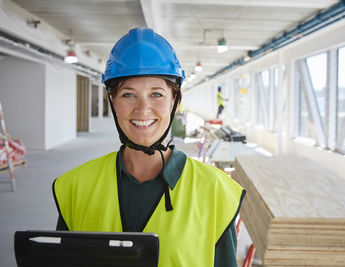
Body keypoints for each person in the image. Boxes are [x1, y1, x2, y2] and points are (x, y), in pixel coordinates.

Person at [52, 28, 246, 267]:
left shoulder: (217, 193)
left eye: (156, 94)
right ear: (112, 102)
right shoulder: (75, 186)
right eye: (128, 95)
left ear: (175, 101)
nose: (143, 110)